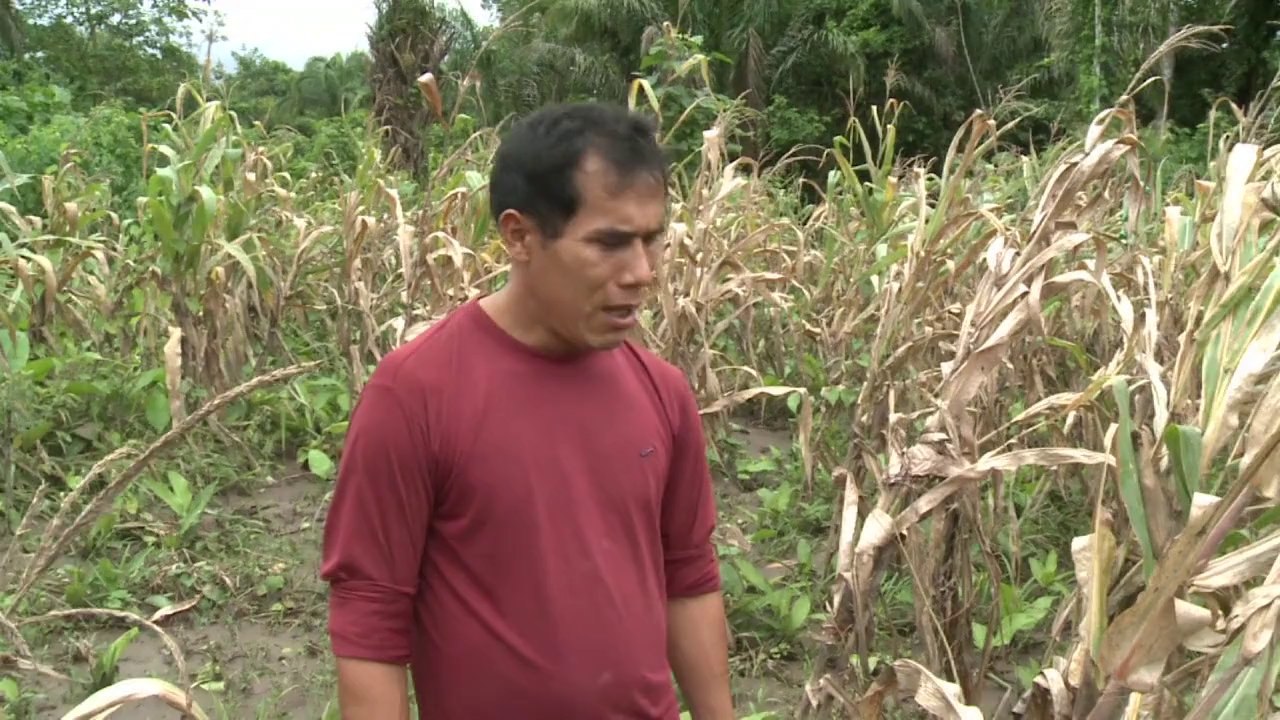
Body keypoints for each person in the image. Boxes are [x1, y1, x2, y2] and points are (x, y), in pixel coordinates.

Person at [318, 101, 735, 719]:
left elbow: (688, 577)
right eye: (611, 243)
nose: (642, 273)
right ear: (519, 236)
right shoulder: (416, 393)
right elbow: (370, 616)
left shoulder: (663, 392)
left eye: (653, 241)